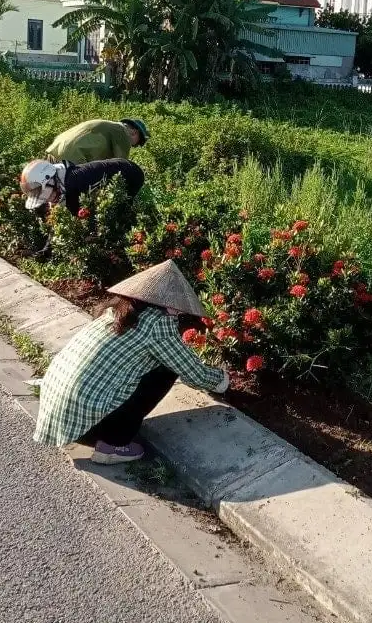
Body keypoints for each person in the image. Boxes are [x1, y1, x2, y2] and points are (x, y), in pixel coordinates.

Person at [33, 260, 229, 464]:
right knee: (167, 370)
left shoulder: (118, 310)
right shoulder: (157, 323)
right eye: (176, 306)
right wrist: (222, 380)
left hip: (58, 417)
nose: (179, 312)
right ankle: (113, 445)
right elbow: (193, 372)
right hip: (89, 427)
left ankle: (109, 435)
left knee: (158, 362)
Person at [20, 157, 145, 218]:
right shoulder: (61, 178)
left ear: (50, 180)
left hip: (130, 173)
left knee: (116, 215)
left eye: (40, 192)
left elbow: (75, 216)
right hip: (123, 166)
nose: (46, 200)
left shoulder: (73, 182)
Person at [45, 118, 149, 164]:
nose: (133, 146)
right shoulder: (123, 133)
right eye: (137, 143)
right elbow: (121, 166)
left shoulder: (110, 127)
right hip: (72, 158)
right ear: (135, 133)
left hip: (56, 149)